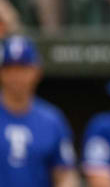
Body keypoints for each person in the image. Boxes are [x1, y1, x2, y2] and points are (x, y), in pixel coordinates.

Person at [0, 35, 79, 187]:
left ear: (37, 71)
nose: (16, 76)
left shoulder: (52, 120)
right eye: (10, 69)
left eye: (23, 69)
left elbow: (65, 174)